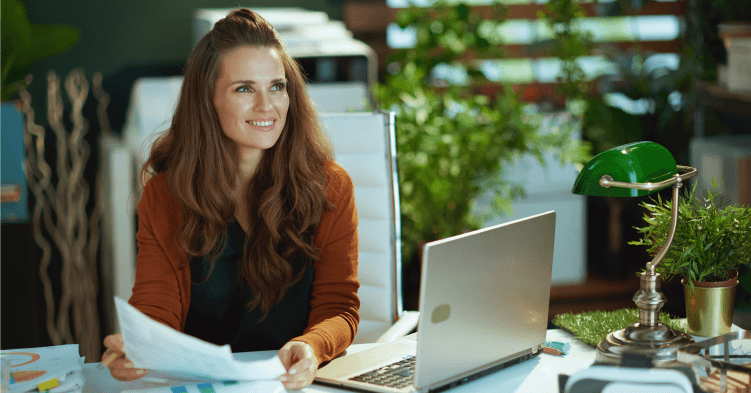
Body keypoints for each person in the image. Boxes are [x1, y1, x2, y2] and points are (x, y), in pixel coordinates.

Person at [101, 8, 360, 390]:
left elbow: (339, 306)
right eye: (244, 89)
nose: (266, 106)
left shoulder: (331, 188)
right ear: (208, 99)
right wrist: (139, 349)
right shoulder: (166, 195)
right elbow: (156, 306)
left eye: (277, 86)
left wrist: (311, 346)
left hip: (295, 384)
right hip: (201, 384)